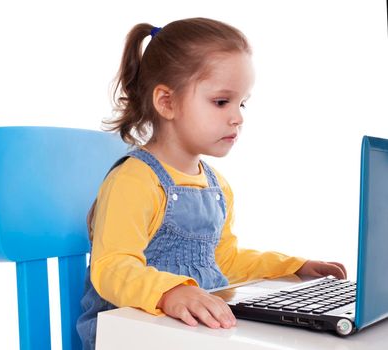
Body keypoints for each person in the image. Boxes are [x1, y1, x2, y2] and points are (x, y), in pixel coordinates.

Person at [76, 17, 347, 349]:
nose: (238, 117)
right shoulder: (134, 180)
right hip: (130, 334)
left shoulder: (217, 187)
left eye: (242, 103)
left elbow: (225, 262)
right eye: (221, 102)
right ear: (167, 102)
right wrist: (170, 292)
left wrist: (295, 267)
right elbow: (112, 267)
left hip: (188, 333)